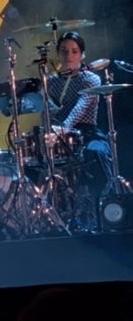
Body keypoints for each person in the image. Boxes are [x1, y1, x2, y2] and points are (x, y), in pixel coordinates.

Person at [43, 31, 112, 227]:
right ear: (58, 54)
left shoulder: (91, 79)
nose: (69, 55)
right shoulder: (52, 82)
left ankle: (107, 204)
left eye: (74, 51)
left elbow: (80, 109)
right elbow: (47, 111)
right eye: (64, 51)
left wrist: (63, 129)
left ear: (82, 54)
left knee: (96, 152)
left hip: (86, 132)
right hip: (59, 135)